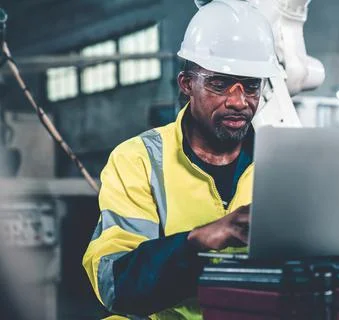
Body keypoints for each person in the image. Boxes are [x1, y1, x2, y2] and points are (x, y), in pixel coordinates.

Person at [82, 0, 282, 318]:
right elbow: (116, 284)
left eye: (251, 86)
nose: (238, 100)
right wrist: (196, 242)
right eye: (220, 83)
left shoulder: (281, 163)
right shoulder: (138, 160)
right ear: (187, 84)